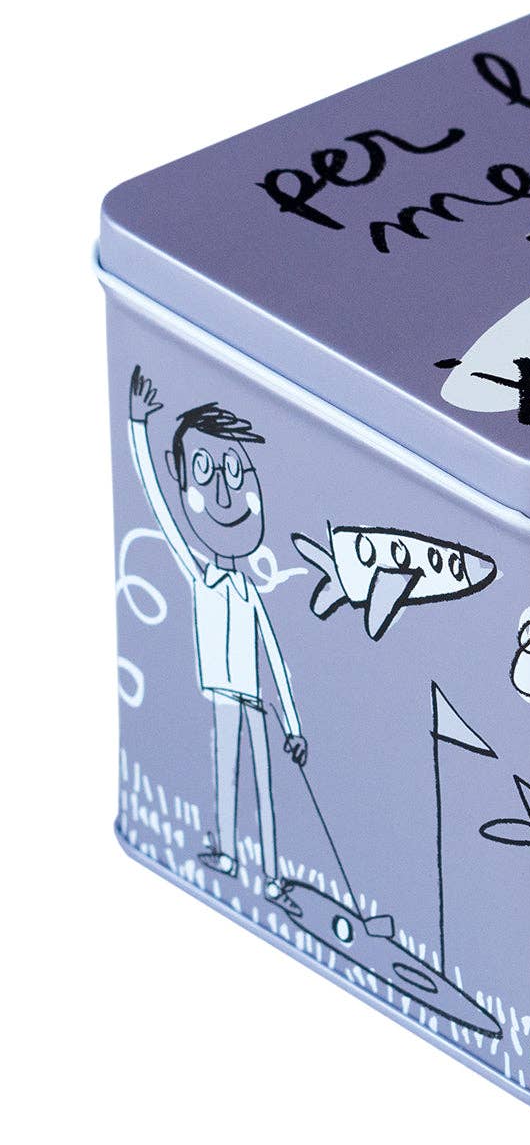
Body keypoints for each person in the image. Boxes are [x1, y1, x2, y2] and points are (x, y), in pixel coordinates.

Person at [127, 365, 307, 907]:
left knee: (265, 787)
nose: (225, 493)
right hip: (223, 693)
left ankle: (273, 875)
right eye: (205, 472)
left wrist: (292, 725)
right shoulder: (200, 574)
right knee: (223, 772)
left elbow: (275, 659)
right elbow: (159, 509)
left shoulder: (249, 592)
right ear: (181, 477)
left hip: (252, 699)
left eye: (235, 472)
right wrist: (137, 427)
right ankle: (227, 853)